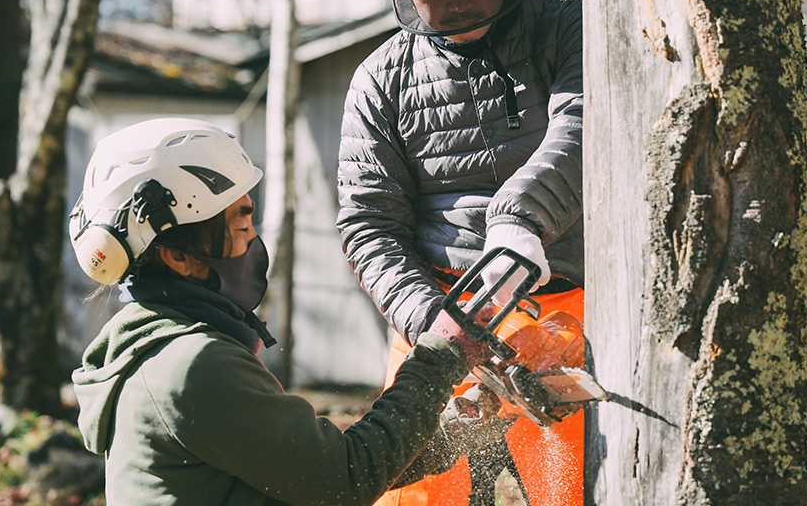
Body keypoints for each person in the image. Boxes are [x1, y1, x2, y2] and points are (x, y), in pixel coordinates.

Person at [67, 117, 510, 506]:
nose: (253, 239)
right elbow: (344, 479)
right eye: (239, 225)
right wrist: (439, 357)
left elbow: (310, 473)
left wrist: (461, 428)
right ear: (177, 257)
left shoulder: (155, 354)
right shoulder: (191, 365)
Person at [339, 0, 586, 504]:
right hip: (439, 311)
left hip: (561, 308)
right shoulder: (380, 80)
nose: (461, 0)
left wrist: (519, 222)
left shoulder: (567, 27)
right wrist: (434, 326)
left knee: (572, 488)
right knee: (416, 491)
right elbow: (370, 226)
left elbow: (582, 127)